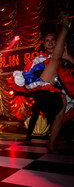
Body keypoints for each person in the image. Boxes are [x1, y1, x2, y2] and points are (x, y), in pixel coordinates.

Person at [10, 13, 73, 153]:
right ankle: (65, 28)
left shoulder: (65, 57)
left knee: (59, 117)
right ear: (44, 44)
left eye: (53, 40)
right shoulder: (40, 58)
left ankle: (51, 143)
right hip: (43, 88)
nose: (50, 43)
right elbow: (29, 71)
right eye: (47, 40)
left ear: (57, 43)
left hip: (59, 90)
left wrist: (68, 57)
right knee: (54, 60)